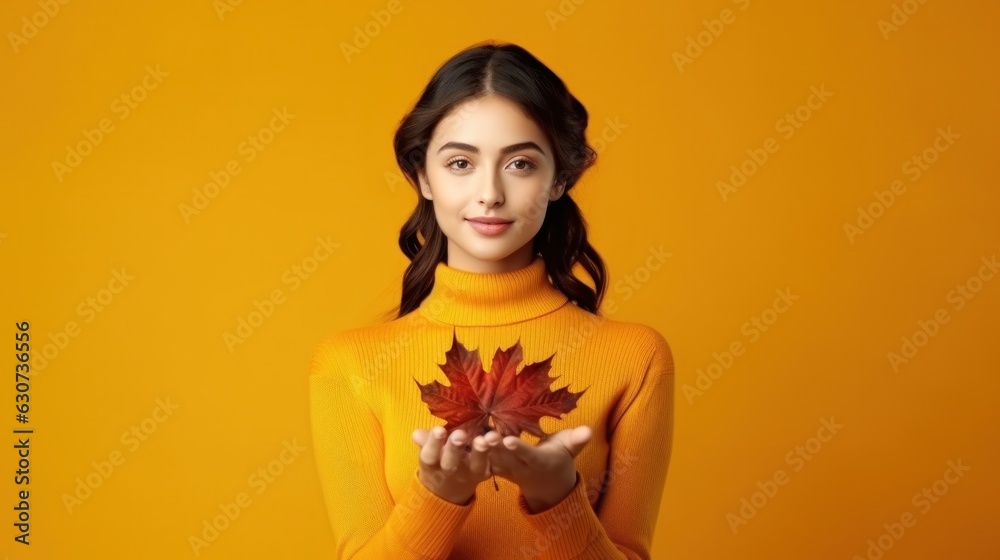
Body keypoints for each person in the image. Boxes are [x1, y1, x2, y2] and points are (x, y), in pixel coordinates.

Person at [309, 40, 674, 560]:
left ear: (559, 180)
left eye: (521, 164)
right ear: (422, 177)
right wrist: (438, 495)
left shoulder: (636, 356)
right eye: (460, 162)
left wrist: (557, 498)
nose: (489, 193)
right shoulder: (347, 364)